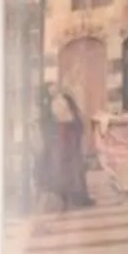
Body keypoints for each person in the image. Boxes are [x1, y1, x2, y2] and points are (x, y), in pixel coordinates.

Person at [37, 82, 91, 211]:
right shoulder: (48, 105)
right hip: (60, 136)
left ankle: (79, 196)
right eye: (50, 87)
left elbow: (75, 114)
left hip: (70, 133)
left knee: (76, 165)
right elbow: (49, 124)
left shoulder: (65, 98)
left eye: (54, 86)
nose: (53, 89)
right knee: (64, 167)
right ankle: (66, 198)